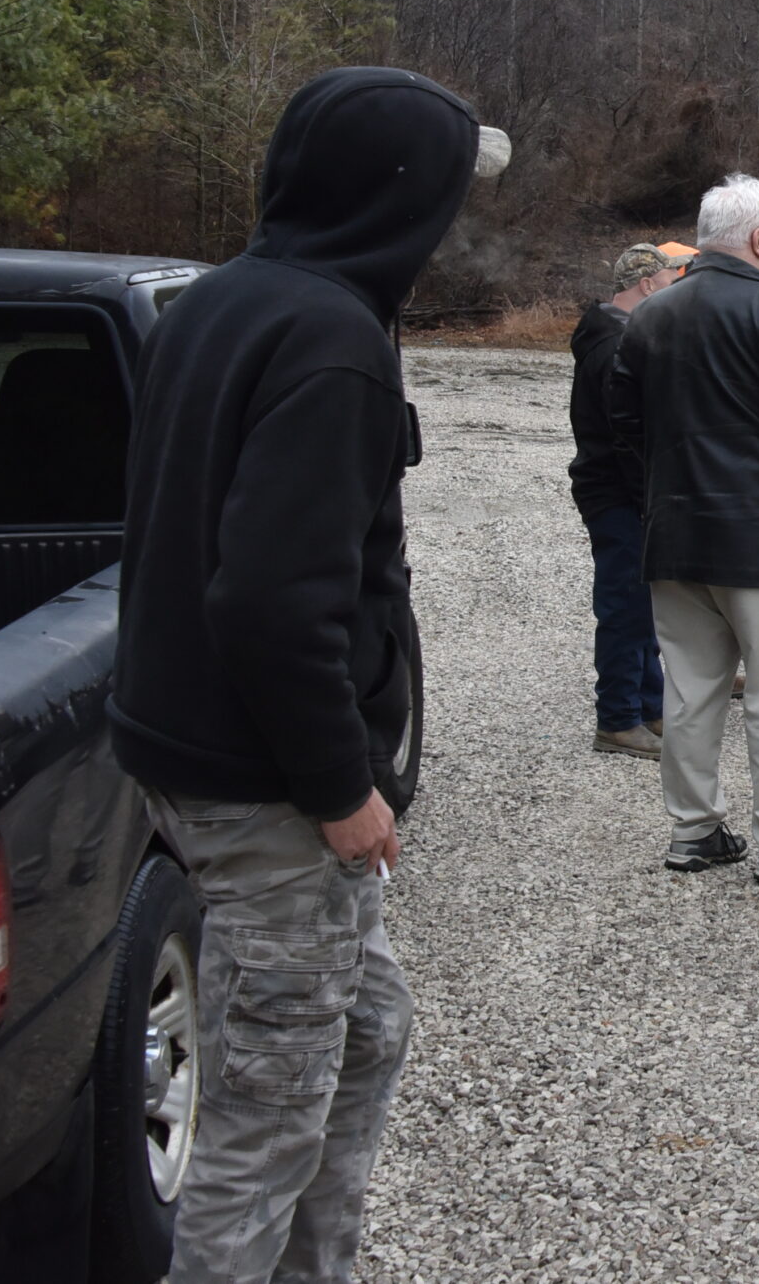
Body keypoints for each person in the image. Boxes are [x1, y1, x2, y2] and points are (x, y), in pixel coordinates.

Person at [110, 67, 482, 1284]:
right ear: (399, 200)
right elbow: (270, 602)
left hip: (187, 756)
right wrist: (341, 788)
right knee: (261, 1130)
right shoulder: (333, 347)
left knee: (367, 1029)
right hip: (269, 796)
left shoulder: (222, 301)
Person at [606, 173, 759, 885]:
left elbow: (623, 424)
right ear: (758, 239)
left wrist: (658, 492)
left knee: (689, 690)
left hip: (676, 533)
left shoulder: (652, 315)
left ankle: (694, 830)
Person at [568, 240, 691, 758]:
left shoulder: (623, 337)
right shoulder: (612, 346)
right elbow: (625, 435)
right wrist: (650, 492)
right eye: (666, 284)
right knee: (623, 604)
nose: (670, 294)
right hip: (619, 493)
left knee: (644, 602)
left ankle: (651, 708)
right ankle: (617, 718)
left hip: (631, 490)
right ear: (646, 285)